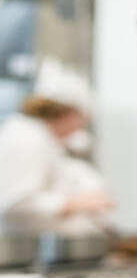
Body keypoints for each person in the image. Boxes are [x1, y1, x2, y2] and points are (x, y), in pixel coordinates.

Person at [0, 59, 114, 234]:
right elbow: (15, 204)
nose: (81, 128)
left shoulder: (45, 139)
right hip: (22, 251)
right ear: (68, 112)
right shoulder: (25, 138)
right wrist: (73, 203)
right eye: (82, 120)